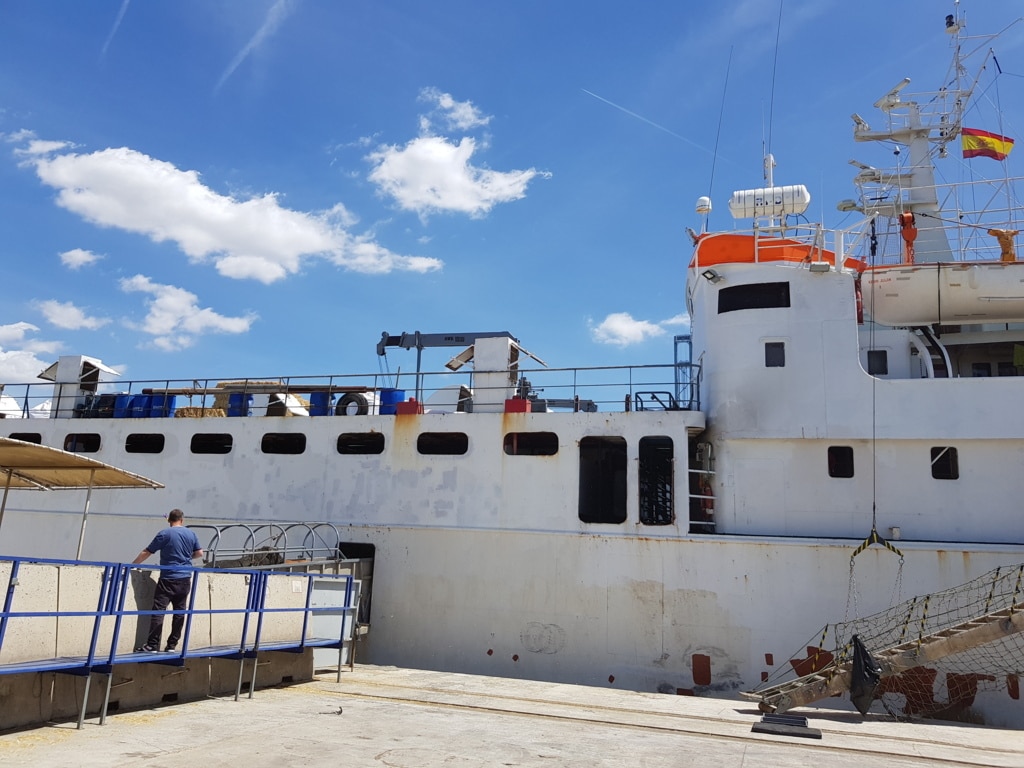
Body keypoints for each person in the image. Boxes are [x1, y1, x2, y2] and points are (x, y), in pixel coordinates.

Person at [132, 508, 203, 653]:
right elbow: (199, 553)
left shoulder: (164, 533)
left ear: (169, 520)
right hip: (185, 578)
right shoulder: (191, 534)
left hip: (168, 578)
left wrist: (132, 566)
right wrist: (186, 558)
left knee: (158, 611)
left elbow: (147, 551)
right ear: (182, 520)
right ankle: (171, 645)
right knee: (179, 612)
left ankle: (152, 645)